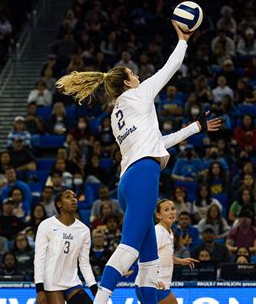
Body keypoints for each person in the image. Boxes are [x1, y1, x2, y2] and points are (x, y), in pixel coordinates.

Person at [56, 21, 221, 304]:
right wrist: (183, 40)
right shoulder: (138, 94)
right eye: (134, 74)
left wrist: (196, 127)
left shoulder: (116, 114)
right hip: (144, 175)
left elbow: (157, 143)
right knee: (129, 248)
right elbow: (168, 70)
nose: (139, 76)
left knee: (148, 264)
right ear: (126, 82)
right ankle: (101, 300)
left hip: (129, 182)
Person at [34, 190, 97, 304]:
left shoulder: (83, 230)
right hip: (51, 282)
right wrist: (39, 289)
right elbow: (39, 258)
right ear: (59, 204)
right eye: (67, 197)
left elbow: (84, 262)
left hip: (72, 282)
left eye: (74, 197)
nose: (73, 199)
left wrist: (94, 288)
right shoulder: (46, 225)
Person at [140, 199, 198, 304]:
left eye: (173, 209)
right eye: (166, 210)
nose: (171, 212)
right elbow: (144, 256)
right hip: (155, 284)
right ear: (158, 215)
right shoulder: (158, 232)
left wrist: (181, 261)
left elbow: (163, 256)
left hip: (160, 284)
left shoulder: (170, 232)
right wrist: (153, 280)